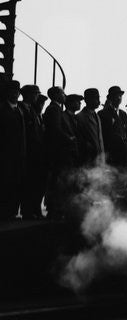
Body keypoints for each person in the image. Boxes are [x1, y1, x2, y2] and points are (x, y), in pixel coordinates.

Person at [42, 87, 77, 220]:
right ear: (56, 95)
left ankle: (55, 209)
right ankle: (54, 210)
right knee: (57, 181)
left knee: (57, 181)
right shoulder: (55, 109)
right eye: (62, 93)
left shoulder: (54, 109)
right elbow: (55, 129)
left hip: (55, 151)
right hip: (57, 152)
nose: (65, 95)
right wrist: (69, 138)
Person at [18, 84, 46, 218]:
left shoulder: (32, 110)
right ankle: (28, 211)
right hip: (28, 152)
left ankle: (34, 209)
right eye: (35, 94)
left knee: (36, 183)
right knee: (29, 184)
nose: (37, 96)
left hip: (36, 153)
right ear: (28, 94)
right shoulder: (21, 109)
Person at [0, 78, 27, 218]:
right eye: (12, 91)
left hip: (19, 154)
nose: (15, 94)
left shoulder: (20, 110)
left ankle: (11, 211)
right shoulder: (2, 110)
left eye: (17, 92)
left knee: (16, 183)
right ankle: (5, 212)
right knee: (5, 183)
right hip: (6, 155)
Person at [97, 86, 127, 167]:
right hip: (111, 154)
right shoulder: (102, 114)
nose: (119, 98)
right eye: (116, 96)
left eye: (120, 96)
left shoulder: (123, 114)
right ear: (110, 98)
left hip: (124, 153)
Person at [76, 88, 104, 167]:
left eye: (99, 98)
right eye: (96, 98)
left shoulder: (97, 116)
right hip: (87, 162)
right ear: (87, 100)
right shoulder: (80, 117)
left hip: (99, 161)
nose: (99, 102)